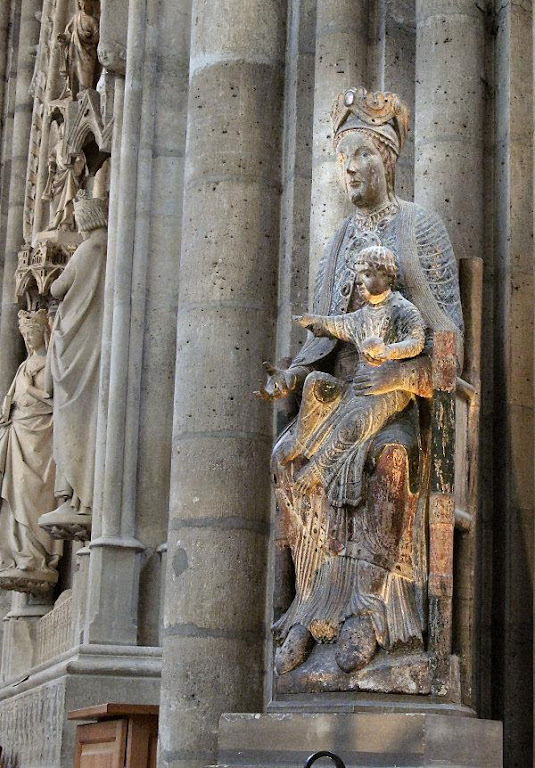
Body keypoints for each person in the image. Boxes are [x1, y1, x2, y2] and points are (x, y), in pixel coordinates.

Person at [259, 87, 464, 681]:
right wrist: (295, 374)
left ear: (388, 159)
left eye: (361, 156)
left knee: (393, 459)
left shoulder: (421, 227)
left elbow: (447, 331)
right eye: (342, 159)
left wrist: (403, 361)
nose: (350, 169)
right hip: (341, 397)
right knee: (290, 461)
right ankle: (309, 609)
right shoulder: (337, 245)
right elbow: (324, 336)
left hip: (401, 395)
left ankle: (369, 611)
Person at [285, 245, 426, 508]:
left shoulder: (402, 310)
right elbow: (336, 325)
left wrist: (388, 351)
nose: (360, 281)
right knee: (315, 383)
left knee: (356, 421)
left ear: (387, 277)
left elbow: (417, 342)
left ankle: (319, 467)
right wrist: (312, 320)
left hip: (389, 391)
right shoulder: (361, 316)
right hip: (358, 389)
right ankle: (303, 443)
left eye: (368, 274)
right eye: (359, 275)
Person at [39, 193, 107, 540]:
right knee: (87, 419)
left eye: (79, 217)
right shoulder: (108, 248)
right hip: (92, 342)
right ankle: (81, 496)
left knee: (75, 421)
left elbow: (56, 287)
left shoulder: (88, 249)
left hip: (78, 348)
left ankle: (79, 495)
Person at [0, 310, 61, 593]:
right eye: (25, 334)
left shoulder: (49, 362)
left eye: (32, 332)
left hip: (41, 435)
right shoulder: (24, 366)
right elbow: (12, 401)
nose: (28, 337)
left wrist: (27, 389)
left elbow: (54, 397)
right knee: (16, 496)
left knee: (32, 493)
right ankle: (22, 555)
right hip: (19, 434)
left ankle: (37, 557)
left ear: (43, 332)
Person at [58, 0, 100, 98]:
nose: (83, 5)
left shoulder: (92, 20)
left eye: (85, 2)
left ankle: (85, 98)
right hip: (74, 53)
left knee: (85, 79)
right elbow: (69, 34)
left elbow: (97, 38)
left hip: (88, 55)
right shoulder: (76, 18)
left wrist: (86, 37)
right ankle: (75, 97)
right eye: (81, 2)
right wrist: (63, 37)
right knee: (74, 76)